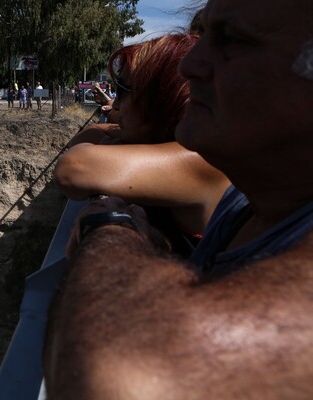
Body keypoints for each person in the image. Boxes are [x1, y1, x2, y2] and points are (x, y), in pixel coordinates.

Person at [44, 1, 313, 399]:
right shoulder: (252, 200)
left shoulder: (207, 167)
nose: (191, 66)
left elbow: (119, 377)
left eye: (234, 40)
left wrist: (113, 229)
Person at [54, 34, 229, 258]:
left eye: (124, 91)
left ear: (162, 100)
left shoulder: (200, 156)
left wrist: (116, 139)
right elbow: (84, 138)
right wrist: (119, 133)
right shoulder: (177, 144)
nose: (115, 104)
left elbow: (73, 168)